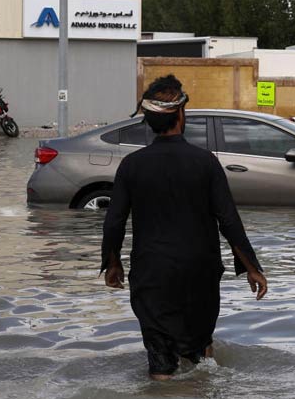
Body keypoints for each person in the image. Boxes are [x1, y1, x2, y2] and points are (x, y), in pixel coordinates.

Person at [101, 74, 268, 380]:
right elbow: (228, 220)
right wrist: (252, 268)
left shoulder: (132, 165)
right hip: (199, 273)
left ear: (150, 122)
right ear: (180, 115)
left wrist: (112, 265)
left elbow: (113, 223)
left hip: (151, 273)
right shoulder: (205, 162)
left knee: (160, 362)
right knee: (199, 351)